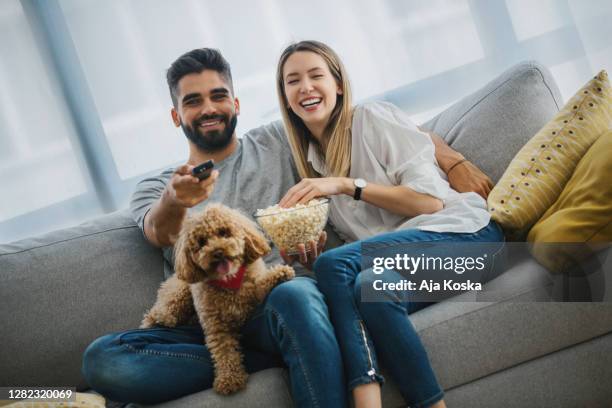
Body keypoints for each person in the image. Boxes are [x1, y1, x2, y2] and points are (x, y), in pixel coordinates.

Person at [81, 47, 493, 407]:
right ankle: (288, 352)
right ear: (176, 115)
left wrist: (453, 160)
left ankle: (300, 343)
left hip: (282, 299)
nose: (208, 108)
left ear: (236, 104)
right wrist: (177, 198)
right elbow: (157, 231)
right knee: (103, 359)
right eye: (193, 101)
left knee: (296, 295)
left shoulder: (279, 140)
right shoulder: (160, 187)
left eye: (218, 96)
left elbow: (365, 120)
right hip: (212, 324)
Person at [276, 41, 504, 408]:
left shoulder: (372, 119)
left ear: (338, 84)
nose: (305, 87)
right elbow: (369, 249)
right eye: (293, 81)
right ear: (285, 97)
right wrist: (308, 253)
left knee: (334, 266)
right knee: (371, 289)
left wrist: (347, 186)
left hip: (471, 241)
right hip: (416, 263)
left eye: (316, 75)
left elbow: (429, 202)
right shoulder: (315, 162)